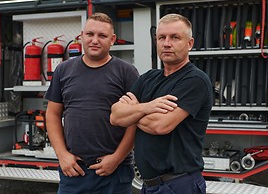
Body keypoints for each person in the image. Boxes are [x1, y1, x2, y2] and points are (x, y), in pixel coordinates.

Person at [110, 13, 213, 194]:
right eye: (161, 37)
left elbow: (160, 125)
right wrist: (146, 107)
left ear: (190, 44)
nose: (166, 43)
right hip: (149, 185)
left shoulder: (195, 80)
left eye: (175, 37)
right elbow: (115, 116)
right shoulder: (149, 78)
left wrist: (132, 111)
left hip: (179, 184)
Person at [45, 12, 139, 194]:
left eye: (102, 36)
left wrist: (117, 158)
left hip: (114, 172)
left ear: (112, 39)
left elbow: (135, 121)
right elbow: (52, 114)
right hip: (74, 171)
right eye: (90, 34)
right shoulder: (63, 70)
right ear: (81, 36)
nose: (95, 40)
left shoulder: (126, 72)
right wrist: (62, 155)